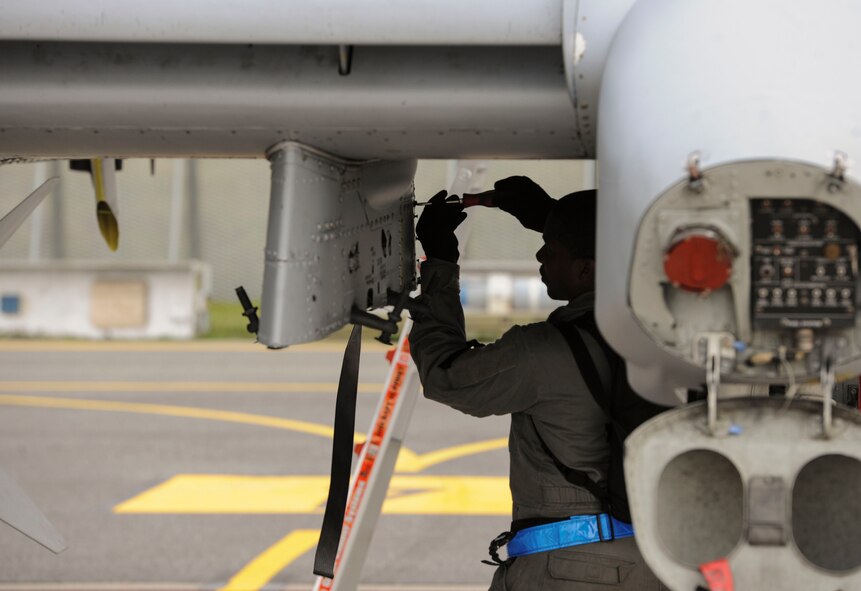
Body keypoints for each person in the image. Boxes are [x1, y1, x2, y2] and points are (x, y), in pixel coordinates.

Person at [409, 177, 665, 590]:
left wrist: (439, 263)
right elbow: (617, 253)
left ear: (585, 269)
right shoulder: (670, 335)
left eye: (553, 247)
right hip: (654, 567)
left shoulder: (543, 352)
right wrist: (551, 216)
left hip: (570, 572)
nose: (540, 253)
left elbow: (444, 375)